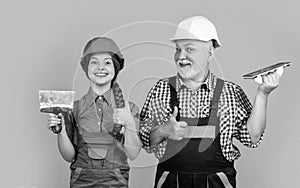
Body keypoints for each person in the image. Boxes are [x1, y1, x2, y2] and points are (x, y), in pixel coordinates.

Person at [139, 16, 282, 188]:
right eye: (177, 49)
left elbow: (252, 137)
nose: (180, 57)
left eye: (189, 49)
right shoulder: (161, 90)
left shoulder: (230, 92)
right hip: (171, 182)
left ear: (210, 52)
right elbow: (144, 140)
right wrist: (163, 130)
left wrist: (263, 94)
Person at [47, 36, 142, 187]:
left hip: (116, 182)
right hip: (81, 180)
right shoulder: (74, 108)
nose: (101, 67)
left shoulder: (128, 108)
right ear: (86, 67)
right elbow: (69, 156)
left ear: (115, 67)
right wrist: (61, 131)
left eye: (107, 62)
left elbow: (133, 154)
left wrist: (129, 122)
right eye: (94, 62)